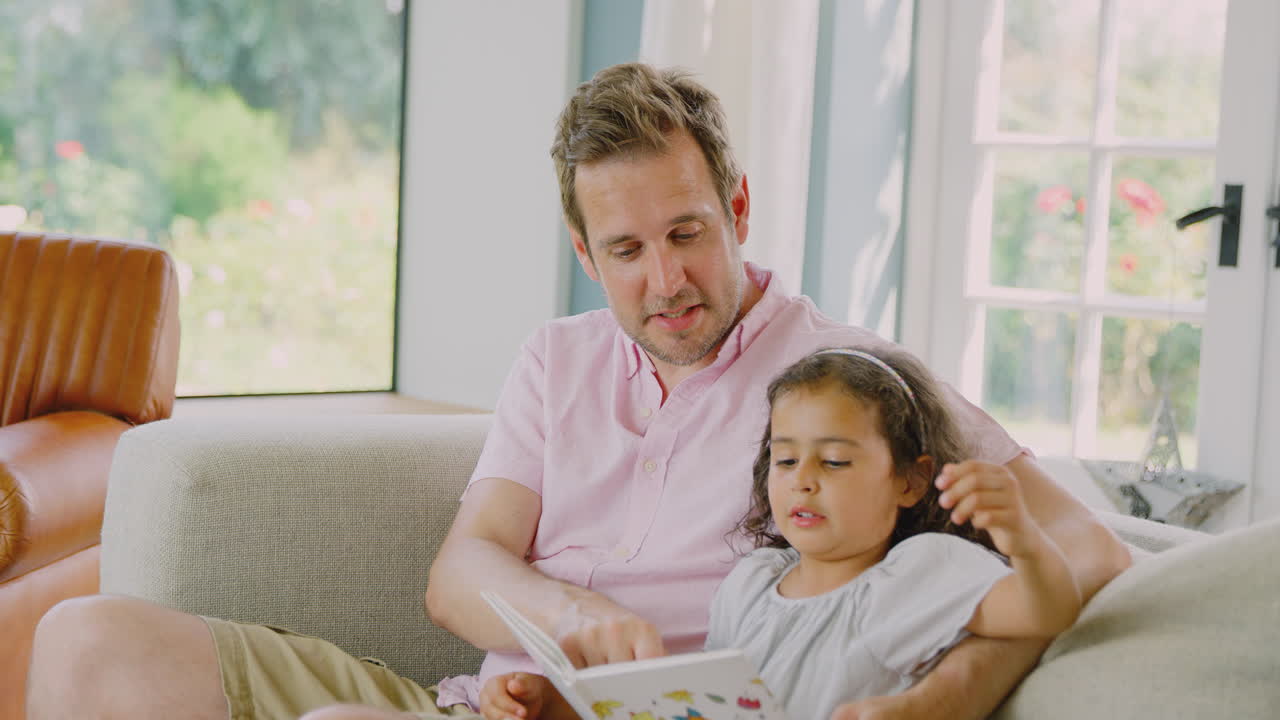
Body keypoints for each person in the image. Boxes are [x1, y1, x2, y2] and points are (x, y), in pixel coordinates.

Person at [26, 63, 1130, 720]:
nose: (667, 282)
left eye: (688, 234)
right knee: (85, 641)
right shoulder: (555, 362)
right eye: (626, 248)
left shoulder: (847, 380)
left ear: (737, 205)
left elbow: (1090, 554)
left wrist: (925, 705)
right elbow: (460, 577)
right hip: (487, 700)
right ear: (580, 250)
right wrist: (571, 617)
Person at [477, 347, 1083, 720]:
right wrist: (553, 702)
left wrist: (1021, 536)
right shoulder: (752, 581)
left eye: (835, 462)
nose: (804, 482)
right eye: (787, 460)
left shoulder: (916, 572)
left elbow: (1046, 610)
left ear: (909, 480)